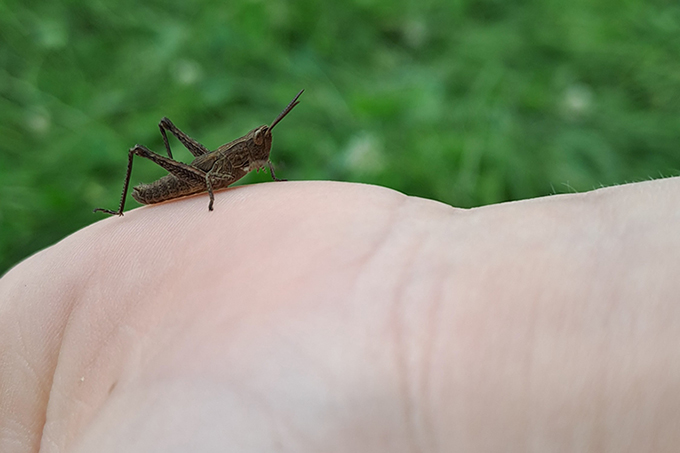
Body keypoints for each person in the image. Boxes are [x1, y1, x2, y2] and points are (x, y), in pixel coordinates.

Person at [1, 179, 679, 452]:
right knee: (158, 150)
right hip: (187, 181)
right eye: (259, 144)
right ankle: (122, 202)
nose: (261, 151)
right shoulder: (223, 167)